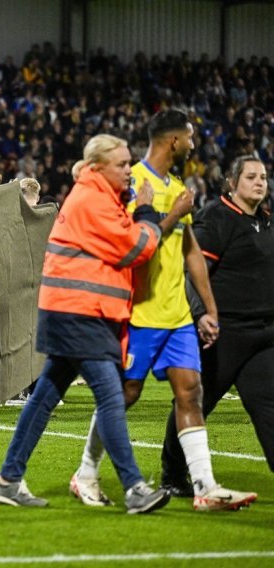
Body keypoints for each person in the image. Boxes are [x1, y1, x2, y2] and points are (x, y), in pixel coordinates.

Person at [70, 111, 257, 512]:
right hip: (139, 311)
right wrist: (172, 213)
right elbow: (131, 246)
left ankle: (205, 487)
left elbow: (191, 251)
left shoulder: (177, 187)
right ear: (173, 141)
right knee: (125, 394)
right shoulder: (132, 182)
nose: (195, 143)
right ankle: (85, 473)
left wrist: (209, 308)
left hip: (177, 317)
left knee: (191, 392)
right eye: (189, 137)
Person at [0, 134, 183, 514]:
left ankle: (8, 479)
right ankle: (134, 488)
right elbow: (136, 248)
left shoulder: (94, 194)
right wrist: (146, 211)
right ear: (97, 167)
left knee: (45, 396)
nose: (129, 170)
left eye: (130, 163)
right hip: (81, 312)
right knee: (111, 396)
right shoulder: (93, 199)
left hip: (73, 310)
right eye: (122, 164)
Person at [161, 156, 274, 485]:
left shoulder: (265, 220)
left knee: (268, 406)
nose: (259, 182)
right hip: (223, 332)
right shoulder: (218, 217)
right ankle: (172, 473)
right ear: (233, 182)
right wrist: (201, 315)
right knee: (196, 400)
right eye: (251, 176)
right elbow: (192, 272)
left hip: (263, 335)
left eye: (264, 177)